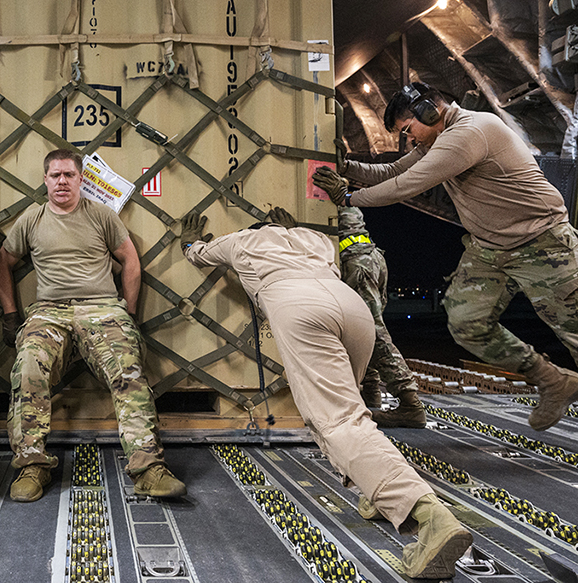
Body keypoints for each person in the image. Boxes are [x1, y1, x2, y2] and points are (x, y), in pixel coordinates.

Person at [180, 207, 472, 579]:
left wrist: (189, 242)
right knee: (352, 416)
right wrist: (290, 230)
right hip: (351, 308)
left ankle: (430, 518)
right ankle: (377, 490)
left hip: (301, 310)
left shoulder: (242, 241)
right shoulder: (315, 240)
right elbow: (296, 245)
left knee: (339, 421)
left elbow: (199, 254)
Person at [313, 82, 578, 431]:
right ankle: (553, 381)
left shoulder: (469, 132)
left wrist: (348, 199)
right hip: (490, 248)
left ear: (430, 111)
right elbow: (393, 171)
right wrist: (345, 167)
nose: (410, 140)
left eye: (409, 130)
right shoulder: (436, 139)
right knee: (467, 323)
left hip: (541, 242)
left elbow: (405, 186)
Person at [0, 149, 185, 503]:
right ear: (45, 179)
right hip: (49, 311)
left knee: (128, 369)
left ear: (81, 179)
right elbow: (3, 262)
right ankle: (31, 465)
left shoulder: (101, 216)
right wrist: (10, 313)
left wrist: (127, 310)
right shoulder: (31, 220)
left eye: (69, 175)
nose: (62, 181)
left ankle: (148, 469)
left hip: (101, 309)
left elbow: (129, 259)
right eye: (55, 175)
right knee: (28, 369)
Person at [337, 207, 426, 428]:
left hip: (356, 261)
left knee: (373, 332)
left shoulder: (322, 191)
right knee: (364, 330)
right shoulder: (344, 197)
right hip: (370, 256)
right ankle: (372, 394)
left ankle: (410, 404)